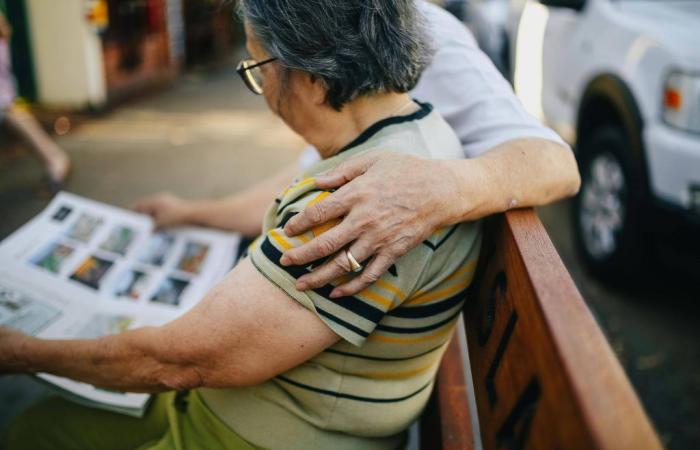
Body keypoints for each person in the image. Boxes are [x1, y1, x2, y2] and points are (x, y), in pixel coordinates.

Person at [2, 1, 482, 449]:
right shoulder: (412, 133)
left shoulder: (357, 205)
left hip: (259, 434)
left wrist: (22, 352)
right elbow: (286, 190)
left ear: (312, 75)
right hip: (292, 411)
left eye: (258, 66)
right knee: (40, 427)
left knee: (34, 432)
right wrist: (190, 213)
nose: (263, 94)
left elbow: (180, 361)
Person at [133, 0, 580, 298]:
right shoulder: (325, 22)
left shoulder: (420, 29)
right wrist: (188, 212)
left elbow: (555, 162)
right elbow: (300, 181)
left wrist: (431, 190)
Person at [0, 10, 70, 191]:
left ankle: (55, 160)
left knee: (18, 118)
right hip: (7, 102)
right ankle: (55, 160)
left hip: (5, 102)